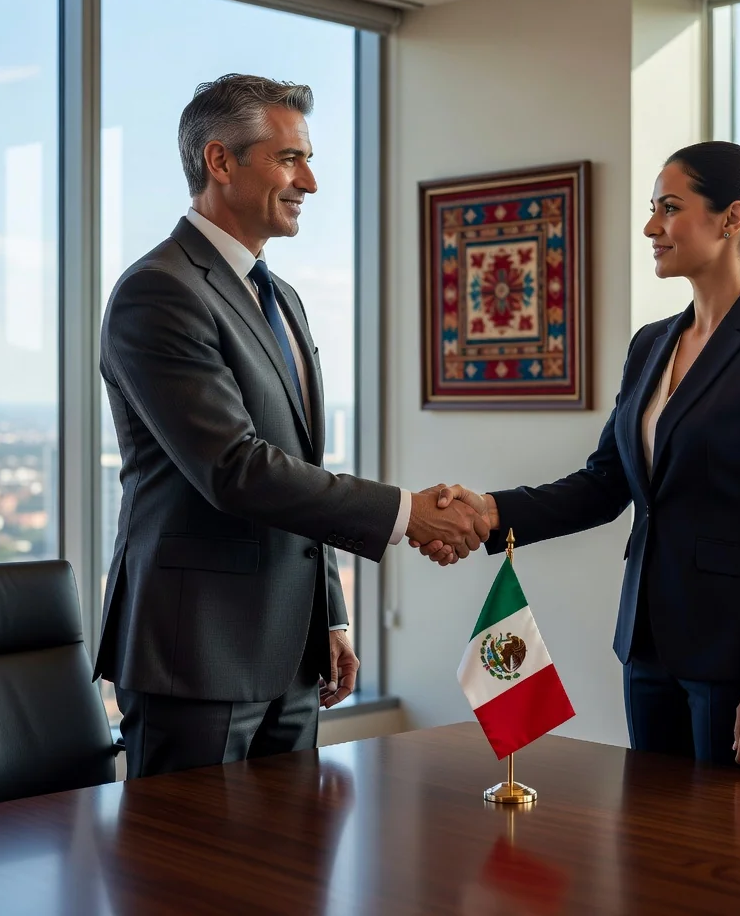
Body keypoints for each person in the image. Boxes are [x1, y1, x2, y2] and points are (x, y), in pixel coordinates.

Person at [96, 74, 487, 778]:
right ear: (220, 162)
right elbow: (235, 469)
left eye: (307, 160)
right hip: (199, 657)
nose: (309, 180)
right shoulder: (159, 291)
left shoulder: (283, 299)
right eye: (288, 159)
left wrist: (328, 615)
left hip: (292, 653)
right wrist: (407, 513)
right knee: (191, 881)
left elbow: (297, 461)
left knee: (289, 879)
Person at [416, 142, 740, 777]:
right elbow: (604, 483)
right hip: (649, 648)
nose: (651, 227)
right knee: (655, 860)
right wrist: (491, 511)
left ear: (732, 219)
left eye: (670, 208)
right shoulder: (651, 345)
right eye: (652, 209)